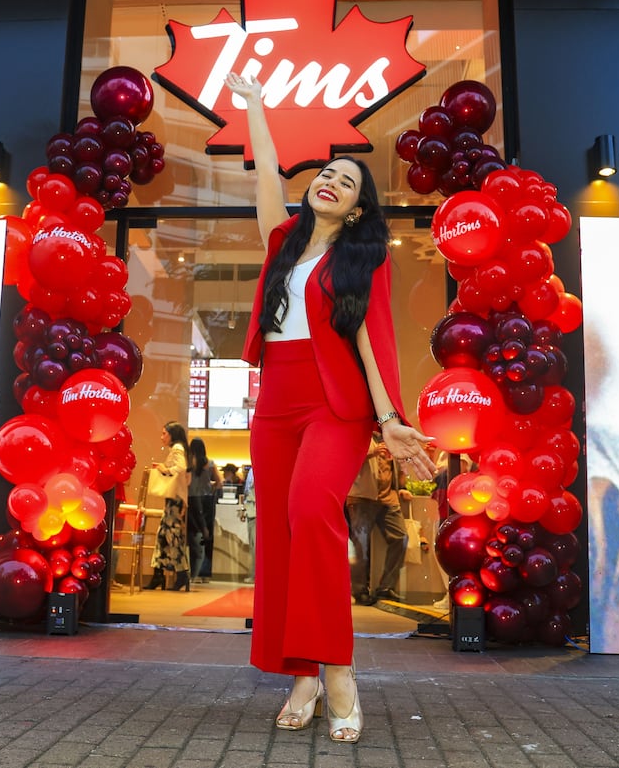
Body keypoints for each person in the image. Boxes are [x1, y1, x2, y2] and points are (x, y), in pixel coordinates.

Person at [224, 72, 436, 745]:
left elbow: (371, 339)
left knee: (311, 511)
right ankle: (302, 676)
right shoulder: (284, 241)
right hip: (275, 402)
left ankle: (338, 669)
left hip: (333, 402)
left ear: (356, 208)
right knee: (280, 533)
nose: (332, 182)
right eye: (327, 174)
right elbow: (266, 175)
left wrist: (388, 417)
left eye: (347, 182)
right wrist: (256, 107)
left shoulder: (360, 257)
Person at [346, 438, 412, 606]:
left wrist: (402, 488)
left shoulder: (390, 438)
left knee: (401, 537)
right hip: (362, 497)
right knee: (361, 545)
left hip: (388, 498)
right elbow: (346, 458)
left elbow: (398, 469)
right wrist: (372, 452)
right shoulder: (361, 436)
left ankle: (386, 587)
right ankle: (360, 590)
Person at [145, 421, 192, 592]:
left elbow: (180, 468)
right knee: (165, 536)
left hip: (175, 499)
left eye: (164, 433)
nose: (162, 437)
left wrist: (165, 469)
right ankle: (162, 574)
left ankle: (179, 573)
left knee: (171, 536)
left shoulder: (177, 448)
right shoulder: (180, 448)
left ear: (173, 434)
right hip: (176, 498)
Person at [187, 437, 221, 584]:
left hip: (193, 501)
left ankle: (193, 572)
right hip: (207, 501)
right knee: (207, 537)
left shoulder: (189, 463)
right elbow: (220, 482)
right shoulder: (210, 463)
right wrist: (210, 488)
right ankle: (205, 573)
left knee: (193, 536)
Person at [237, 465, 256, 583]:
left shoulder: (256, 470)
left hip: (255, 512)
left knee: (256, 547)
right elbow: (248, 493)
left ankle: (255, 575)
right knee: (253, 546)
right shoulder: (252, 471)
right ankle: (254, 574)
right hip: (251, 512)